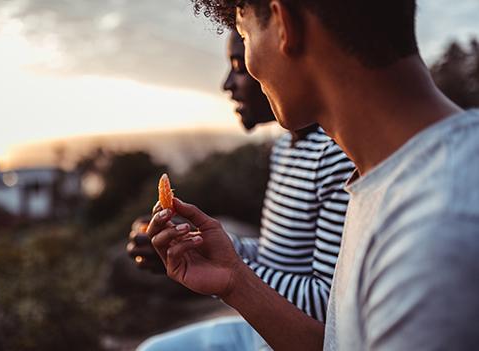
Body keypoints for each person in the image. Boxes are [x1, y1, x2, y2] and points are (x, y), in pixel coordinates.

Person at [147, 0, 479, 350]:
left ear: (282, 24)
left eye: (245, 35)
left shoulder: (437, 235)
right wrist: (234, 279)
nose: (249, 67)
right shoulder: (385, 180)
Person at [131, 30, 354, 350]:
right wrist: (196, 240)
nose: (227, 84)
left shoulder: (333, 154)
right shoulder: (285, 149)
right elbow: (281, 256)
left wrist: (223, 268)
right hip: (258, 330)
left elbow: (327, 308)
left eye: (239, 64)